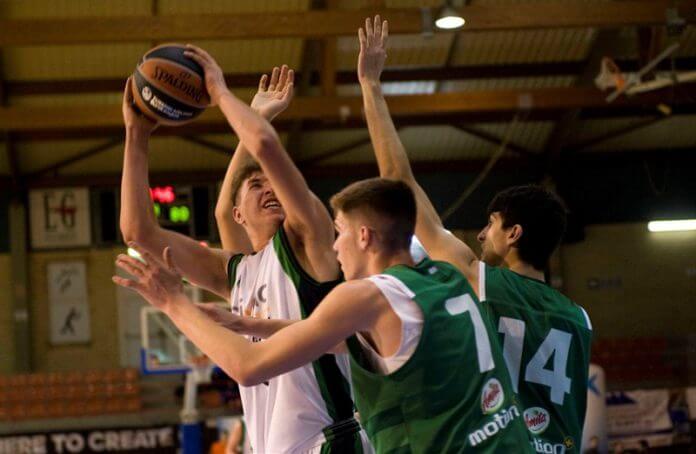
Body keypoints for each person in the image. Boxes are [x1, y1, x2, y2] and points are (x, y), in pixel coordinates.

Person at [114, 177, 532, 453]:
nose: (336, 244)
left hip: (327, 440)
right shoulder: (442, 276)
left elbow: (248, 365)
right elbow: (160, 226)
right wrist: (246, 323)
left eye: (341, 232)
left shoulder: (318, 259)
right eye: (254, 185)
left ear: (363, 235)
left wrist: (173, 302)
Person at [357, 15, 593, 453]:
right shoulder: (580, 319)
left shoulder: (481, 279)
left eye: (492, 224)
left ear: (514, 233)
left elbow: (397, 180)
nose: (482, 235)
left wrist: (370, 86)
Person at [119, 52, 367, 452]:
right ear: (238, 214)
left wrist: (238, 105)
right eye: (256, 186)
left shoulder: (308, 241)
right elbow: (138, 232)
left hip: (328, 441)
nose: (269, 187)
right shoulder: (235, 272)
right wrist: (136, 134)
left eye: (272, 182)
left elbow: (263, 149)